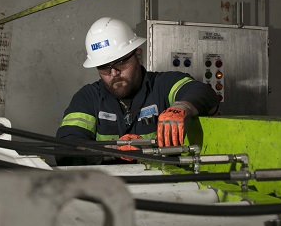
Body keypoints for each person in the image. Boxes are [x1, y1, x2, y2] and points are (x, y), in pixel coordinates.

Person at [55, 17, 219, 165]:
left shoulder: (163, 84)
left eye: (120, 62)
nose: (114, 73)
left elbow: (204, 93)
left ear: (138, 56)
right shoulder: (88, 98)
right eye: (104, 67)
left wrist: (182, 107)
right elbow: (65, 148)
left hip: (165, 187)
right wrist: (113, 150)